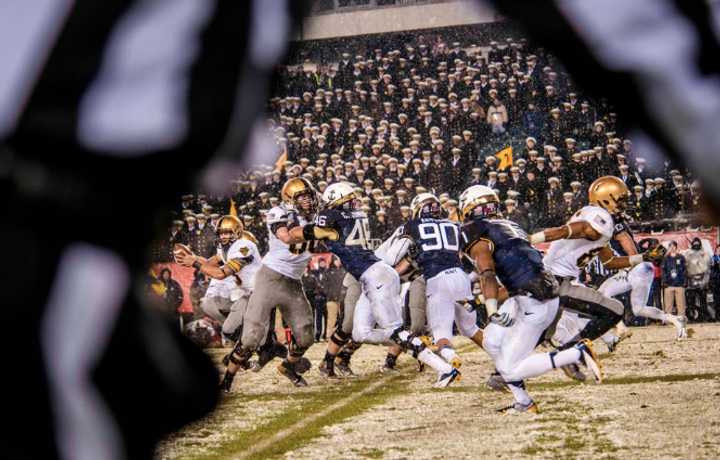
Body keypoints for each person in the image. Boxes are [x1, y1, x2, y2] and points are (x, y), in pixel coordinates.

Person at [298, 181, 460, 387]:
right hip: (373, 274)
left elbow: (390, 256)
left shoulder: (410, 227)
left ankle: (444, 369)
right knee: (360, 332)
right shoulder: (356, 218)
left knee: (393, 330)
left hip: (377, 274)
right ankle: (413, 342)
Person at [458, 185, 601, 413]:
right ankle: (523, 402)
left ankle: (576, 353)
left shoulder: (474, 230)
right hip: (531, 294)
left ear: (469, 209)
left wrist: (491, 307)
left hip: (535, 301)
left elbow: (487, 272)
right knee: (492, 341)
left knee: (509, 369)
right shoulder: (511, 225)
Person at [220, 178, 319, 390]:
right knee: (251, 337)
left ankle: (288, 367)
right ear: (290, 199)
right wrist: (320, 230)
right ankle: (227, 379)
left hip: (293, 282)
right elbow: (286, 237)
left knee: (306, 334)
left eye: (309, 195)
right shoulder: (278, 212)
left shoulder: (316, 217)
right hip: (270, 278)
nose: (308, 200)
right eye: (302, 197)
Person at [684, 238, 712, 321]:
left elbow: (708, 269)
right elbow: (684, 267)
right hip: (691, 280)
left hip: (702, 279)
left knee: (703, 300)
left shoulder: (705, 253)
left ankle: (703, 316)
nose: (696, 245)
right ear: (692, 244)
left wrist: (706, 280)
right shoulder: (687, 254)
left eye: (697, 243)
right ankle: (691, 317)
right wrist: (687, 280)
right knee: (690, 301)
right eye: (694, 243)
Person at [662, 241, 687, 318]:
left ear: (676, 247)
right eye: (670, 246)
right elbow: (663, 271)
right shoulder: (666, 258)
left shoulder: (681, 257)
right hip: (669, 285)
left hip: (679, 284)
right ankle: (668, 320)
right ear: (669, 248)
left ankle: (681, 319)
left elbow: (685, 270)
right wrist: (664, 282)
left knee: (681, 304)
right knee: (668, 305)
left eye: (673, 246)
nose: (672, 248)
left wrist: (684, 282)